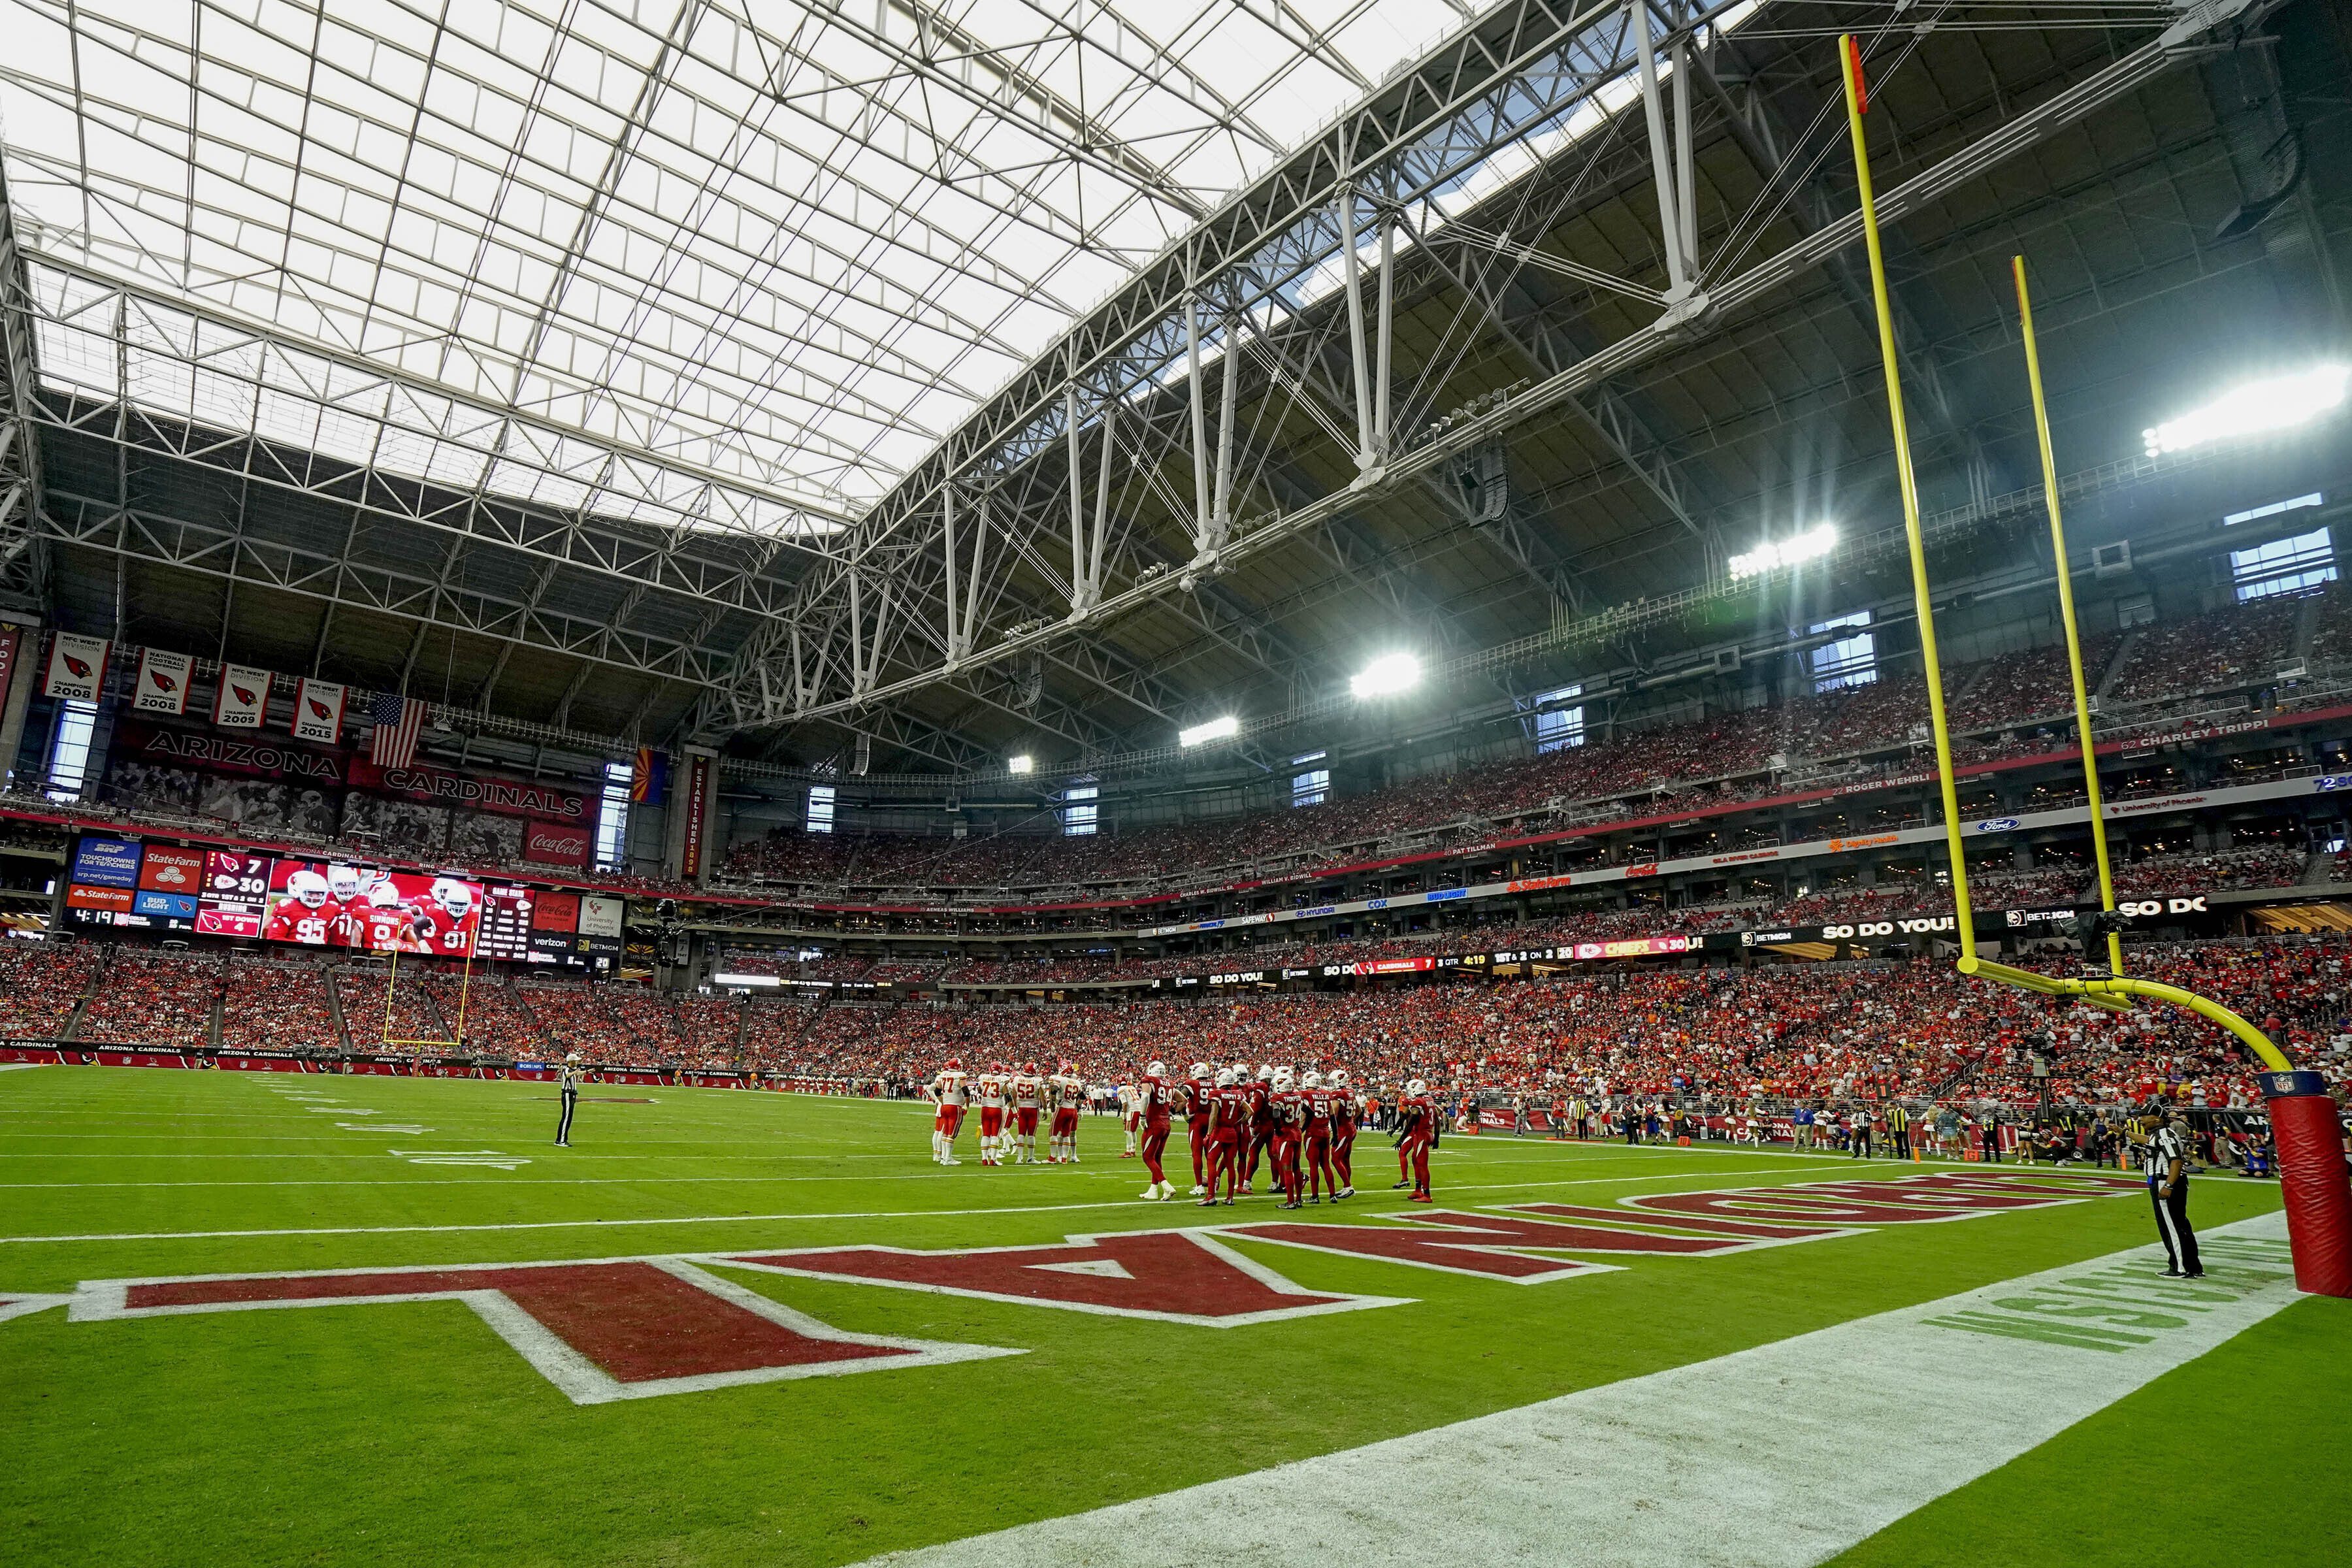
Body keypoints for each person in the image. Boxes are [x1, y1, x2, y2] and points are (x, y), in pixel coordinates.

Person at [2144, 1103, 2202, 1278]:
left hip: (2165, 1180)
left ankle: (2179, 1267)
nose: (2141, 1119)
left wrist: (2168, 1185)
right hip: (2170, 1181)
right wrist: (2125, 1133)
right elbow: (2149, 1142)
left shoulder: (2163, 1135)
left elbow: (2176, 1161)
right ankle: (2193, 1266)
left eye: (2144, 1116)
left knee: (2171, 1227)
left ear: (2157, 1118)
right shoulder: (2161, 1134)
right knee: (2181, 1225)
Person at [1201, 1067, 1244, 1207]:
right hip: (1232, 1132)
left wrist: (1208, 1133)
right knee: (1230, 1165)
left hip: (1220, 1132)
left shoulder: (1217, 1094)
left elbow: (1214, 1115)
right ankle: (1230, 1197)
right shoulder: (1238, 1094)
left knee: (1211, 1161)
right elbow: (1249, 1111)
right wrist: (1238, 1122)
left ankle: (1211, 1196)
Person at [1135, 1059, 1176, 1201]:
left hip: (1154, 1123)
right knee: (1156, 1157)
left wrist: (1141, 1116)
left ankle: (1166, 1185)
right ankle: (1153, 1190)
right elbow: (1182, 1100)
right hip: (1166, 1123)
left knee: (1147, 1157)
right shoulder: (1170, 1084)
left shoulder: (1149, 1080)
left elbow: (1145, 1097)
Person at [1394, 1077, 1437, 1203]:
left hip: (1421, 1135)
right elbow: (1437, 1120)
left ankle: (1427, 1194)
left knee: (1422, 1165)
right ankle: (1418, 1189)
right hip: (1428, 1133)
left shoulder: (1418, 1102)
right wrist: (1437, 1138)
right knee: (1415, 1159)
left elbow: (1410, 1123)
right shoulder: (1429, 1099)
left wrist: (1400, 1139)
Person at [928, 1056, 968, 1165]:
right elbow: (966, 1091)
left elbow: (934, 1090)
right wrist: (967, 1105)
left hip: (944, 1105)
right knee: (946, 1132)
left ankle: (940, 1156)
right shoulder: (958, 1076)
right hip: (953, 1105)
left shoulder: (942, 1076)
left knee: (941, 1131)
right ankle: (945, 1157)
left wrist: (939, 1101)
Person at [1183, 1062, 1213, 1196]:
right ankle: (1214, 1184)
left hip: (1196, 1120)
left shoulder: (1191, 1084)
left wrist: (1184, 1115)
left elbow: (1182, 1098)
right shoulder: (1214, 1083)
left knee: (1197, 1154)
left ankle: (1199, 1185)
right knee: (1211, 1155)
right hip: (1211, 1120)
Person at [1328, 1068, 1358, 1199]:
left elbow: (1334, 1111)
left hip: (1342, 1129)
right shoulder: (1350, 1092)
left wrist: (1331, 1126)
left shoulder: (1338, 1094)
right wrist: (1350, 1120)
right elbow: (1359, 1110)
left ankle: (1348, 1186)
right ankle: (1347, 1186)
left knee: (1335, 1158)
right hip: (1350, 1127)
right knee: (1345, 1159)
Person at [554, 1051, 580, 1147]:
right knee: (566, 1118)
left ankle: (562, 1139)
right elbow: (568, 1075)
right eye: (575, 1061)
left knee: (568, 1118)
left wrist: (587, 1072)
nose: (577, 1062)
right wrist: (575, 1072)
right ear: (571, 1061)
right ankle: (561, 1140)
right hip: (567, 1094)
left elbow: (576, 1074)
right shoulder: (567, 1069)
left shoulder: (571, 1069)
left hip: (571, 1095)